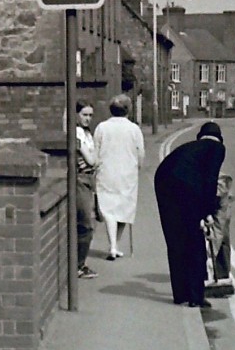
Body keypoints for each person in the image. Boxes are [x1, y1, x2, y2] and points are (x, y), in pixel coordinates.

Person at [154, 121, 226, 308]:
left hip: (163, 180)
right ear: (219, 138)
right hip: (186, 186)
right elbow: (210, 180)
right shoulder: (217, 148)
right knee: (195, 241)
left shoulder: (191, 147)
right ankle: (196, 296)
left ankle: (181, 294)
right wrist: (208, 212)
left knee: (175, 240)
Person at [93, 94, 145, 260]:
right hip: (127, 174)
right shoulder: (134, 129)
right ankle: (114, 246)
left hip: (106, 172)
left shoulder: (101, 127)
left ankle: (114, 246)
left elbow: (95, 151)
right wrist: (139, 166)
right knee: (124, 209)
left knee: (109, 209)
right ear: (128, 110)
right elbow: (141, 153)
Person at [75, 101, 98, 279]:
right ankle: (78, 265)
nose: (88, 118)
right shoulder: (76, 133)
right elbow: (91, 160)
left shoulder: (87, 133)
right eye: (84, 115)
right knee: (86, 225)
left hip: (90, 180)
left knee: (91, 223)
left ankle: (80, 264)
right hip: (81, 179)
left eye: (90, 115)